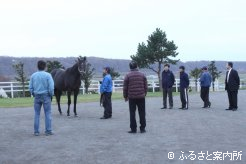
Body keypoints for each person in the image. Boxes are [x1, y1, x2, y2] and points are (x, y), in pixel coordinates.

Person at [29, 60, 54, 136]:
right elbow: (51, 87)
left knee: (37, 114)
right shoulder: (48, 75)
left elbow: (30, 87)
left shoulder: (33, 75)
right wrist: (51, 95)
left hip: (37, 96)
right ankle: (48, 131)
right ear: (45, 66)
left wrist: (33, 93)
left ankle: (36, 131)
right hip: (46, 96)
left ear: (38, 66)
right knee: (48, 113)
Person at [123, 61, 148, 133]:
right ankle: (142, 128)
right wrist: (144, 93)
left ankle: (133, 129)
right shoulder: (142, 74)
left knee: (132, 113)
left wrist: (125, 96)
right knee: (142, 113)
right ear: (137, 66)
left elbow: (125, 87)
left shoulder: (127, 75)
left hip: (132, 97)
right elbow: (145, 86)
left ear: (130, 67)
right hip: (141, 97)